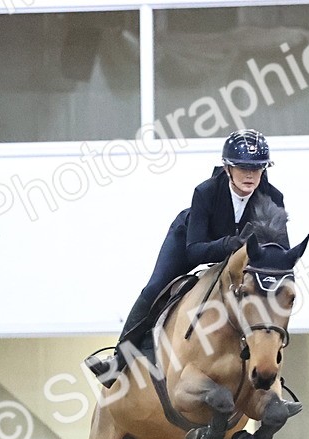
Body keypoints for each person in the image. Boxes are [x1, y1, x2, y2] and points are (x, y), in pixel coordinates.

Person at [86, 129, 288, 388]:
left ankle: (271, 373)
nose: (250, 175)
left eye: (257, 168)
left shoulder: (273, 197)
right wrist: (231, 245)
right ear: (227, 168)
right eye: (242, 167)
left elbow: (278, 252)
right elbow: (195, 250)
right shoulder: (205, 192)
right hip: (190, 241)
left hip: (238, 261)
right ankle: (117, 361)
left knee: (269, 299)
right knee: (154, 288)